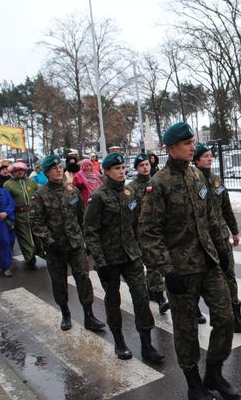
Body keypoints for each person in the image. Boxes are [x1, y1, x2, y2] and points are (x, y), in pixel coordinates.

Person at [139, 122, 238, 400]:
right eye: (187, 143)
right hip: (181, 270)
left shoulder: (197, 176)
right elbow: (149, 233)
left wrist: (222, 253)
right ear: (171, 148)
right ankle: (194, 385)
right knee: (185, 330)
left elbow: (209, 219)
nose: (193, 147)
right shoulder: (158, 184)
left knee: (226, 317)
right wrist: (167, 271)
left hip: (208, 263)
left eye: (193, 142)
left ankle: (215, 374)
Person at [83, 152, 163, 364]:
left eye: (122, 168)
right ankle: (119, 341)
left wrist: (142, 248)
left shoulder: (129, 193)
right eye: (116, 168)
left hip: (132, 255)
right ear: (107, 172)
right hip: (110, 259)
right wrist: (100, 262)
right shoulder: (98, 197)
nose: (121, 171)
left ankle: (147, 345)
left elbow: (137, 223)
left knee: (141, 297)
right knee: (113, 300)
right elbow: (90, 231)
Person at [30, 154, 106, 332]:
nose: (58, 170)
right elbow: (36, 222)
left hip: (75, 244)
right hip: (56, 247)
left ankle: (89, 315)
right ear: (47, 172)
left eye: (60, 167)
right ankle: (65, 313)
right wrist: (49, 242)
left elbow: (82, 217)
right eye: (54, 168)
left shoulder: (72, 191)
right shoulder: (39, 195)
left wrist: (85, 240)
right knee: (58, 282)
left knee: (83, 279)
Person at [193, 143, 241, 334]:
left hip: (221, 238)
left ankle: (236, 317)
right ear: (196, 160)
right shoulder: (192, 181)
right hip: (203, 242)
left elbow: (226, 207)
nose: (209, 158)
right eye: (205, 156)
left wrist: (234, 231)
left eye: (211, 155)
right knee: (201, 280)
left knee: (229, 276)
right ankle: (194, 308)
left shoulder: (216, 181)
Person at [128, 153, 169, 314]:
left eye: (146, 164)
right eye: (141, 165)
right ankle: (161, 299)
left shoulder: (158, 182)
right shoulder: (131, 188)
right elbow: (130, 214)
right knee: (153, 266)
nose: (145, 167)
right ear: (137, 168)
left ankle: (152, 291)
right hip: (143, 233)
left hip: (159, 231)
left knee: (160, 264)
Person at [3, 162, 38, 269]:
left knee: (37, 235)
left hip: (33, 213)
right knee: (24, 238)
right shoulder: (8, 184)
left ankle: (40, 253)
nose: (19, 172)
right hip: (19, 215)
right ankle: (30, 258)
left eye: (21, 170)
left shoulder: (31, 182)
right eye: (16, 171)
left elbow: (38, 195)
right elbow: (6, 201)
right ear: (12, 172)